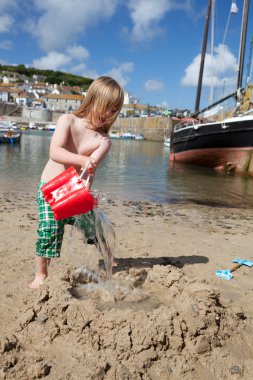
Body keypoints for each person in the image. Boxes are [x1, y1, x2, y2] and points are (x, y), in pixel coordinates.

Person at [29, 76, 124, 289]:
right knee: (49, 228)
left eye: (114, 110)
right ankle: (41, 273)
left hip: (74, 188)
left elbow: (90, 171)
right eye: (107, 107)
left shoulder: (103, 141)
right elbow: (55, 152)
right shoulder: (68, 120)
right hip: (49, 188)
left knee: (95, 225)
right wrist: (82, 160)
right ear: (93, 99)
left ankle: (109, 257)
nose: (109, 114)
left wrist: (85, 193)